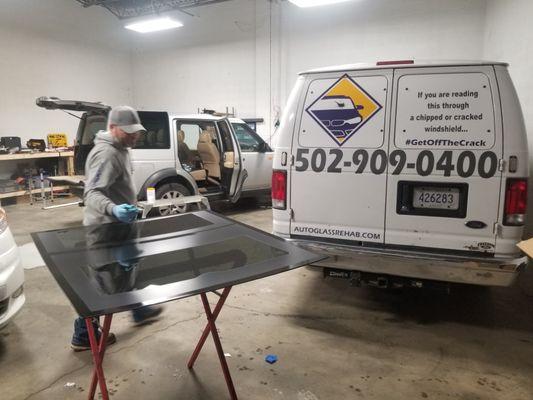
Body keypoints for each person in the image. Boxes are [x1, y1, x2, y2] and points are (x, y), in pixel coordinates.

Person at [71, 105, 163, 351]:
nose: (135, 136)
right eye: (128, 131)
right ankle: (83, 333)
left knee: (127, 270)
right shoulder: (105, 154)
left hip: (121, 227)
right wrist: (114, 210)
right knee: (102, 282)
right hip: (105, 230)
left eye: (136, 131)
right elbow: (91, 194)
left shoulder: (122, 148)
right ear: (112, 128)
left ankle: (138, 311)